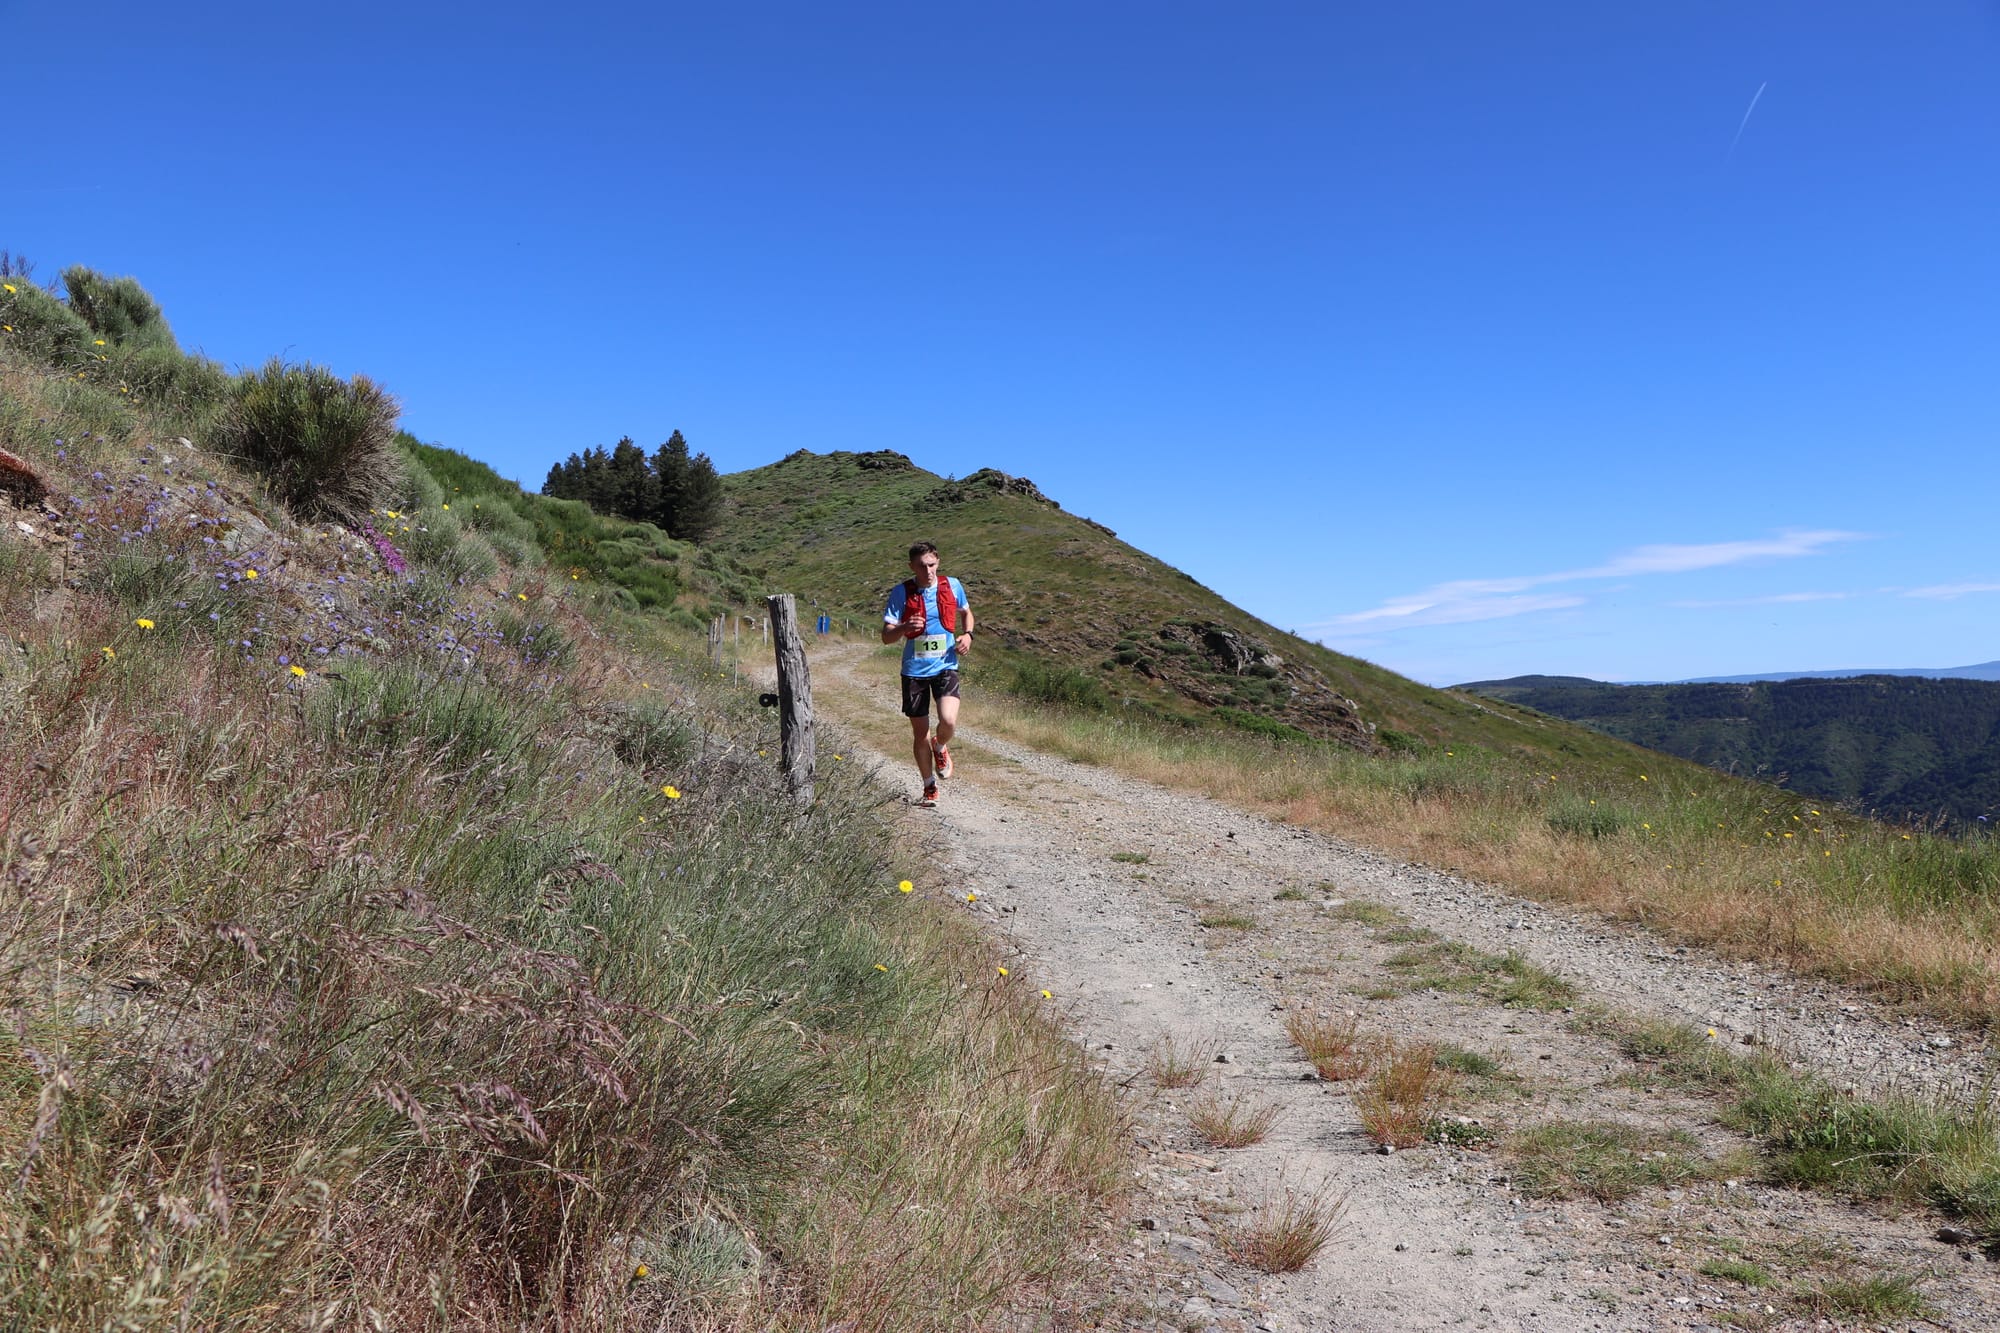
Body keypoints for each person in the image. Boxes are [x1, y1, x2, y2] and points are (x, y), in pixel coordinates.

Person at [880, 540, 973, 807]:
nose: (928, 571)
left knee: (948, 721)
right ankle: (929, 786)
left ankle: (940, 746)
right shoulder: (901, 593)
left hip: (945, 665)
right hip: (914, 672)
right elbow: (886, 637)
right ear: (912, 567)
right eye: (921, 566)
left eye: (931, 565)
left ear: (938, 562)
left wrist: (968, 635)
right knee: (918, 733)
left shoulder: (952, 585)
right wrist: (904, 626)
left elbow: (967, 613)